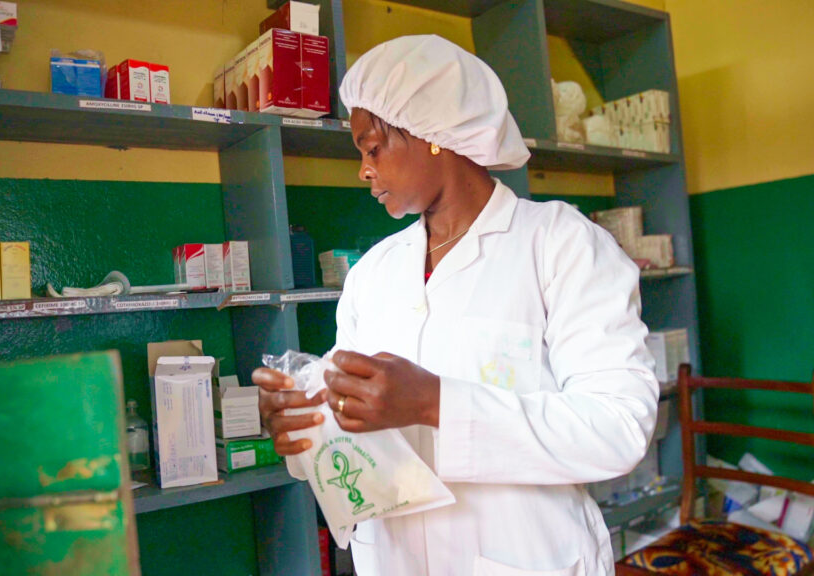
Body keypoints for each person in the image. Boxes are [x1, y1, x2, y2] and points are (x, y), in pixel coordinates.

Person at [254, 35, 659, 576]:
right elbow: (353, 433)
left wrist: (436, 402)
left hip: (527, 559)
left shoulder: (559, 245)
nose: (363, 171)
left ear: (433, 135)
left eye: (373, 148)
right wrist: (306, 427)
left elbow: (618, 427)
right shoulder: (374, 272)